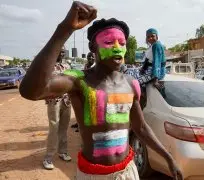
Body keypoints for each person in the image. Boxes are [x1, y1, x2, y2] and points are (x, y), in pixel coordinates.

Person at [19, 1, 183, 180]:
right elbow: (30, 91)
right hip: (94, 175)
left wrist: (169, 158)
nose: (117, 48)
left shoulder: (130, 83)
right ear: (93, 48)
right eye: (108, 42)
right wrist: (65, 28)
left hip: (128, 171)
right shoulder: (79, 81)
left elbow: (141, 127)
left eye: (122, 43)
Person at [43, 48, 72, 170]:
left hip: (66, 101)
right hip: (54, 101)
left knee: (64, 128)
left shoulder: (67, 65)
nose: (62, 53)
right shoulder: (48, 66)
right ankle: (48, 158)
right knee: (54, 128)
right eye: (60, 51)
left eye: (63, 51)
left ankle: (63, 152)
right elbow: (43, 83)